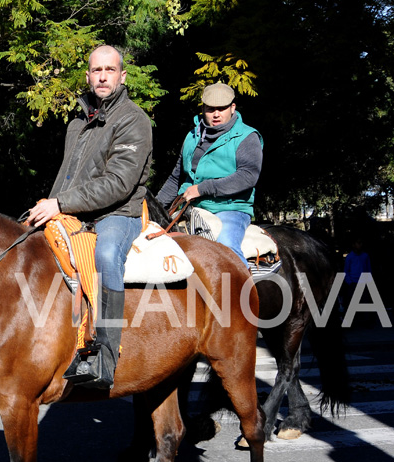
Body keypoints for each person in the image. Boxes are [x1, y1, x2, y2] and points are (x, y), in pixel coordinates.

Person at [27, 44, 152, 389]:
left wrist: (60, 204)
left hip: (118, 212)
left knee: (107, 254)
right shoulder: (78, 122)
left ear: (122, 76)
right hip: (76, 210)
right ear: (88, 76)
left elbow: (119, 183)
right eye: (96, 70)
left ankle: (106, 357)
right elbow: (67, 176)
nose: (102, 76)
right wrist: (49, 207)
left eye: (109, 70)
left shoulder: (133, 120)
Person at [155, 82, 263, 265]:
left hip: (231, 209)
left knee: (226, 250)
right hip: (188, 207)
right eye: (210, 109)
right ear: (203, 108)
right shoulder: (192, 136)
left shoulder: (247, 137)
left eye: (221, 108)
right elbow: (176, 177)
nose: (216, 114)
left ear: (232, 107)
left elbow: (247, 176)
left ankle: (241, 291)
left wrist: (203, 189)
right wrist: (154, 207)